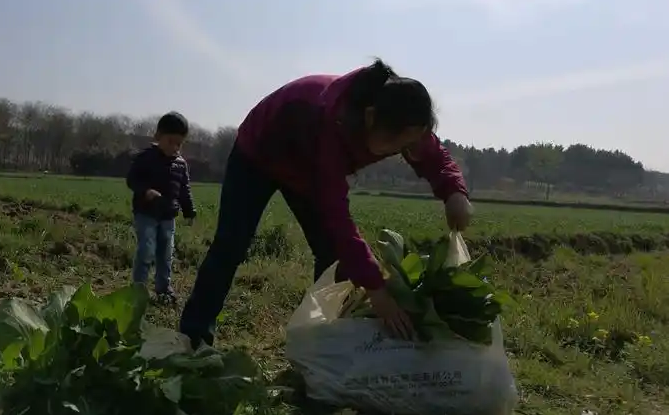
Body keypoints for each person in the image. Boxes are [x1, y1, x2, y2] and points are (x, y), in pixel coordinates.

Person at [179, 59, 473, 348]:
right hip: (259, 154)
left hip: (308, 169)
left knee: (333, 257)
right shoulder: (329, 121)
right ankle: (194, 336)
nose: (402, 152)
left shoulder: (401, 117)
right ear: (371, 118)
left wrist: (454, 192)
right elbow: (336, 215)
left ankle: (329, 337)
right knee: (231, 245)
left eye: (407, 146)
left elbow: (435, 157)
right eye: (396, 145)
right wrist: (376, 289)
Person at [126, 111, 197, 304]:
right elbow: (132, 180)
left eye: (179, 144)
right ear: (158, 137)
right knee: (146, 250)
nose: (174, 147)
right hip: (146, 213)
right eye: (170, 141)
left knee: (166, 254)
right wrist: (146, 191)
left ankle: (163, 289)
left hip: (168, 216)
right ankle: (138, 290)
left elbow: (184, 190)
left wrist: (189, 211)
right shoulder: (145, 158)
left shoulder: (181, 165)